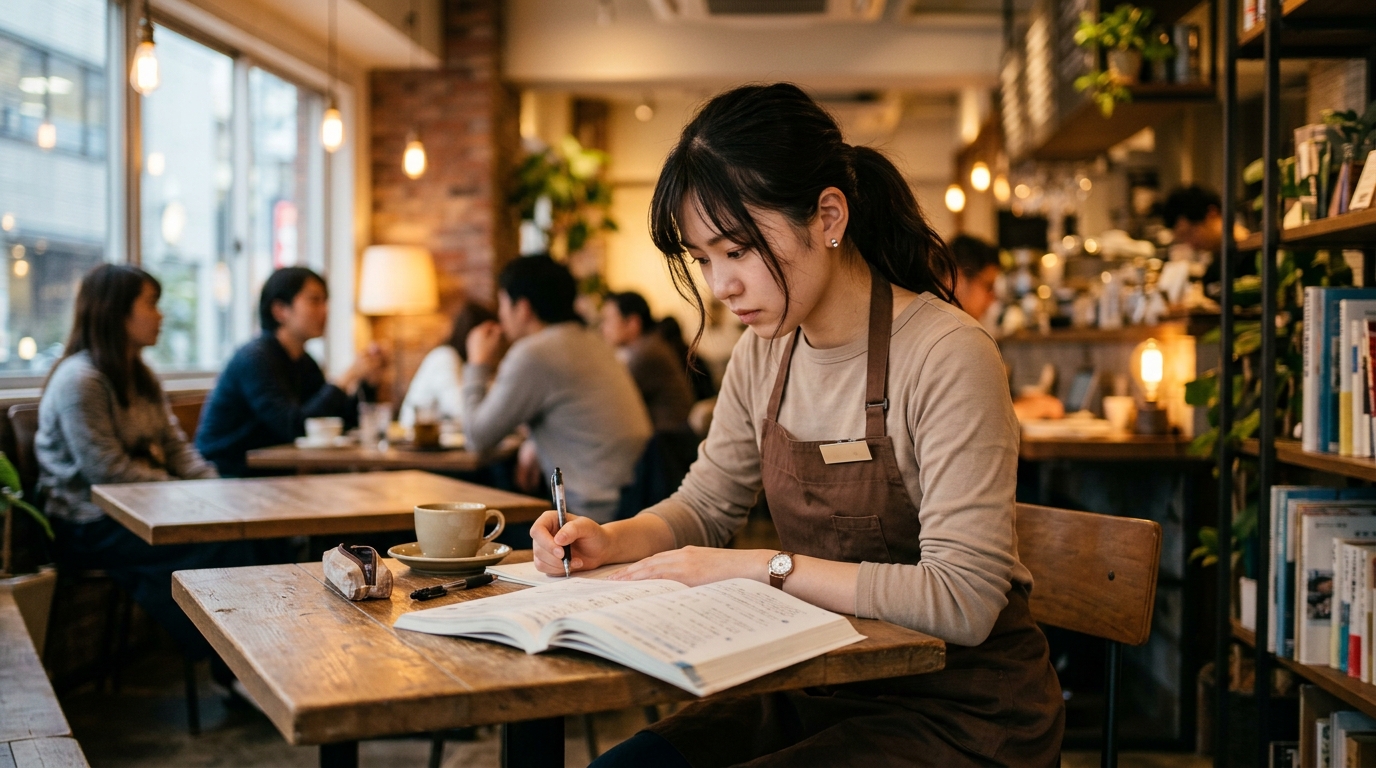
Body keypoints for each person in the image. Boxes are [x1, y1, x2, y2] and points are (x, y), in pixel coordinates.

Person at [535, 84, 1064, 767]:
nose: (721, 285)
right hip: (825, 678)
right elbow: (705, 505)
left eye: (737, 250)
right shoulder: (767, 352)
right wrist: (612, 540)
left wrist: (764, 568)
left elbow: (962, 600)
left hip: (962, 712)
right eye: (704, 260)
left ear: (828, 216)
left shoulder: (946, 354)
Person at [36, 264, 253, 660]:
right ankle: (232, 667)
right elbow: (108, 471)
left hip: (138, 511)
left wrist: (217, 487)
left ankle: (238, 665)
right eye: (151, 304)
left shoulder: (142, 376)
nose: (161, 315)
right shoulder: (80, 380)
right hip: (87, 524)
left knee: (245, 537)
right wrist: (186, 494)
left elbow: (175, 448)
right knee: (225, 549)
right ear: (116, 311)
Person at [462, 255, 652, 523]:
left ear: (523, 308)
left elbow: (476, 438)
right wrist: (534, 442)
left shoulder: (533, 354)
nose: (500, 314)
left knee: (468, 509)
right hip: (632, 500)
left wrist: (477, 363)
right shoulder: (591, 340)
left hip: (588, 515)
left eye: (503, 302)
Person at [196, 267, 385, 476]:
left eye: (325, 301)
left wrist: (367, 382)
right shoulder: (254, 359)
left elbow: (335, 422)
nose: (325, 310)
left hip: (271, 474)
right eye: (315, 300)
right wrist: (347, 376)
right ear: (280, 310)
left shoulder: (305, 362)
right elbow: (294, 426)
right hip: (226, 474)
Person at [951, 234, 1064, 422]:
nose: (992, 298)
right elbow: (967, 420)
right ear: (957, 277)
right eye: (988, 286)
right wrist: (1020, 411)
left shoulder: (956, 331)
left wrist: (1017, 402)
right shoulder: (950, 336)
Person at [600, 292, 695, 432]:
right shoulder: (650, 344)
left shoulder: (645, 354)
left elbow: (612, 399)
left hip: (671, 441)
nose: (602, 328)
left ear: (632, 323)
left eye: (607, 320)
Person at [399, 302, 498, 427]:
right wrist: (479, 360)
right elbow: (462, 412)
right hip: (417, 439)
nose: (497, 345)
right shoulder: (444, 357)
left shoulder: (461, 362)